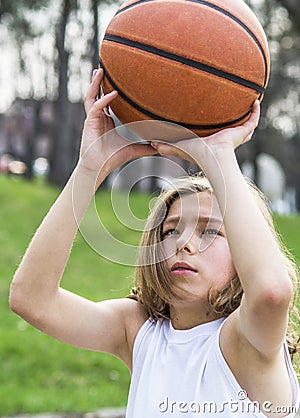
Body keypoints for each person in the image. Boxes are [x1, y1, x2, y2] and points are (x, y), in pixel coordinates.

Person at [10, 69, 299, 417]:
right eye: (171, 231)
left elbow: (271, 291)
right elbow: (31, 299)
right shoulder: (139, 331)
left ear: (245, 253)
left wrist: (217, 154)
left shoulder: (247, 341)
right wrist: (90, 167)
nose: (184, 244)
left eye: (210, 231)